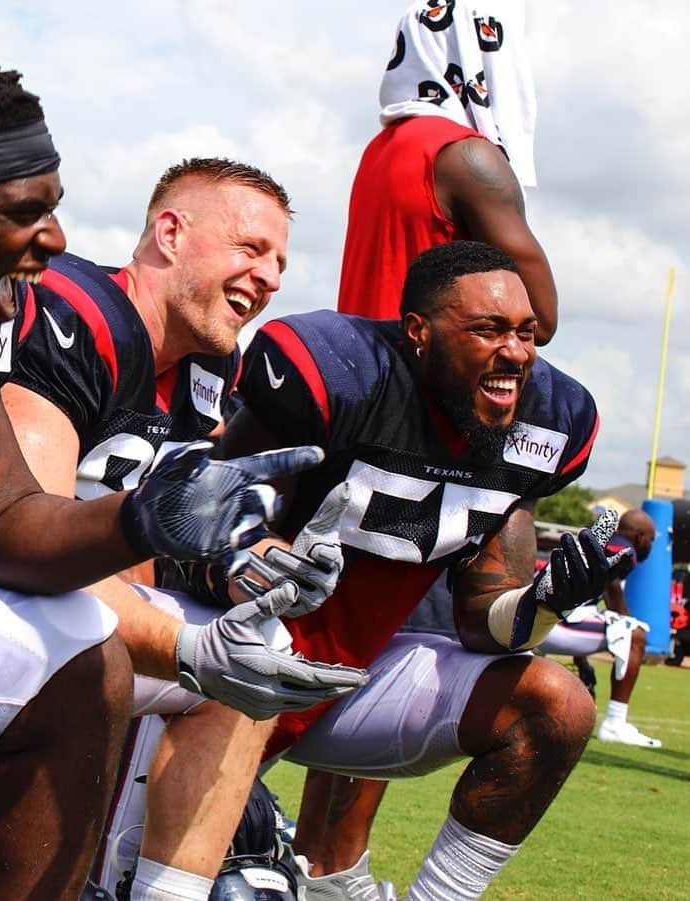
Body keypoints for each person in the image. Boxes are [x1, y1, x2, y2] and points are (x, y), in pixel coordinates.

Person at [0, 62, 357, 901]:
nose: (54, 239)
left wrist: (144, 520)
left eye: (51, 207)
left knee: (80, 664)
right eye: (25, 212)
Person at [214, 241, 619, 899]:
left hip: (350, 677)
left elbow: (482, 623)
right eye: (488, 329)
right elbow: (206, 530)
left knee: (555, 704)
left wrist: (544, 599)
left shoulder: (542, 425)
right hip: (223, 666)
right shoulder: (342, 375)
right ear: (417, 333)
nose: (514, 352)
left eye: (523, 333)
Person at [324, 0, 560, 885]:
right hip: (426, 431)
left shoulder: (386, 148)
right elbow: (537, 307)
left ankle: (329, 870)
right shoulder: (464, 155)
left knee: (336, 669)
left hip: (362, 410)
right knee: (440, 671)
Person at [337, 0, 557, 344]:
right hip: (421, 386)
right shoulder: (466, 157)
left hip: (361, 374)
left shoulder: (379, 151)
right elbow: (538, 321)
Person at [538, 509, 661, 748]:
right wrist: (625, 618)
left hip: (531, 618)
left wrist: (581, 661)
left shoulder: (602, 540)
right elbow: (609, 583)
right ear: (639, 536)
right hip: (555, 624)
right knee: (634, 633)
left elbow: (581, 599)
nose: (650, 545)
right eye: (651, 539)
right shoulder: (625, 549)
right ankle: (615, 722)